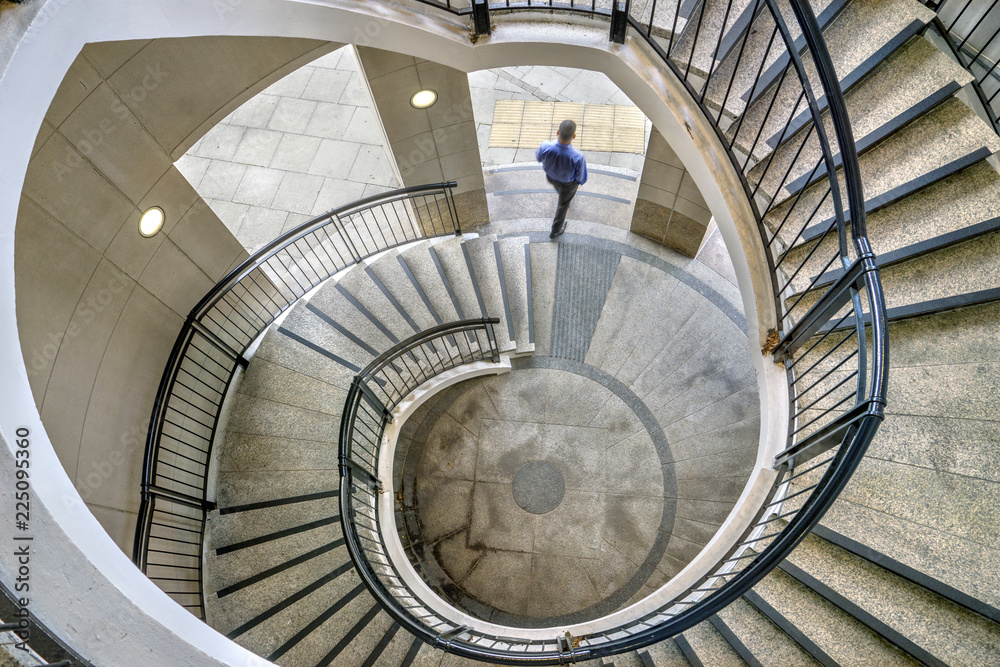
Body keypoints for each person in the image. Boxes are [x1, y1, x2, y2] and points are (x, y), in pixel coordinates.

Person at [536, 119, 587, 239]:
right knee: (562, 206)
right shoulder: (577, 156)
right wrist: (578, 183)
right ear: (574, 136)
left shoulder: (545, 146)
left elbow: (539, 158)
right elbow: (581, 177)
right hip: (568, 184)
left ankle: (562, 195)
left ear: (557, 132)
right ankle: (555, 230)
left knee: (560, 190)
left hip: (551, 177)